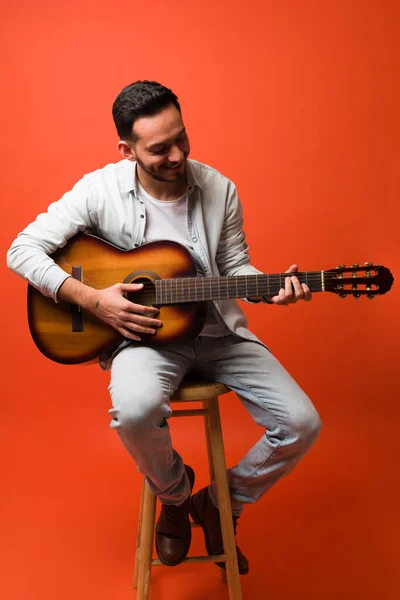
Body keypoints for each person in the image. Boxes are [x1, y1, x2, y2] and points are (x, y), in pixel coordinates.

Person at [7, 80, 321, 573]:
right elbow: (21, 250)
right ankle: (174, 496)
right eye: (159, 148)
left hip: (218, 333)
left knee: (302, 423)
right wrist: (94, 300)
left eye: (182, 138)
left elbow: (235, 267)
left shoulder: (220, 188)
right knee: (134, 410)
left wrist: (270, 286)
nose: (177, 155)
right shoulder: (99, 190)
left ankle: (220, 503)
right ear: (127, 149)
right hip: (143, 339)